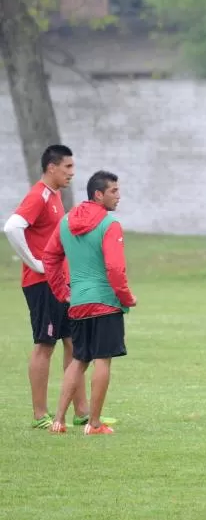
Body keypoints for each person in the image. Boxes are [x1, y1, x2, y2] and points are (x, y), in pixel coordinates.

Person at [2, 144, 110, 429]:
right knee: (44, 345)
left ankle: (82, 411)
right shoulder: (38, 195)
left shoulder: (55, 195)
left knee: (73, 343)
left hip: (59, 282)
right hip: (41, 284)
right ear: (52, 167)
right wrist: (35, 263)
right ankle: (40, 416)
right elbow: (12, 227)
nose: (72, 173)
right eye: (68, 167)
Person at [43, 171, 136, 435]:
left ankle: (58, 421)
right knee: (102, 360)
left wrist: (62, 291)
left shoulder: (65, 222)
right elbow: (115, 269)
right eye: (113, 191)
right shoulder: (110, 224)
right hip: (105, 301)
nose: (118, 196)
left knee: (79, 359)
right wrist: (127, 298)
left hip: (79, 302)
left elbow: (49, 258)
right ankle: (94, 424)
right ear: (98, 194)